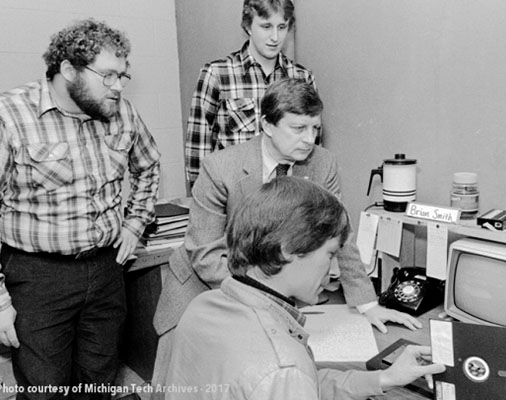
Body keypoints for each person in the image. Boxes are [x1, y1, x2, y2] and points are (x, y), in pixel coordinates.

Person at [152, 78, 422, 393]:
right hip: (202, 292)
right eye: (298, 128)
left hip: (265, 289)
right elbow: (206, 254)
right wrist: (267, 303)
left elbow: (339, 234)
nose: (309, 140)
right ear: (267, 124)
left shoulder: (322, 164)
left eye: (315, 129)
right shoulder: (221, 167)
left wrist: (367, 304)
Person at [166, 176, 445, 399]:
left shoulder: (202, 305)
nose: (335, 271)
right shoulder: (283, 368)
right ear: (289, 250)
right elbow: (287, 379)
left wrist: (385, 378)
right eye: (330, 254)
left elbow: (302, 382)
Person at [0, 19, 161, 398]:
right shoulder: (11, 116)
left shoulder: (122, 112)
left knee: (99, 381)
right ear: (68, 70)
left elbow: (149, 163)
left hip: (106, 270)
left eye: (123, 75)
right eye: (108, 76)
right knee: (44, 390)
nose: (119, 87)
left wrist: (135, 222)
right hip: (37, 277)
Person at [185, 0, 317, 187]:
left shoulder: (302, 78)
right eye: (266, 26)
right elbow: (197, 149)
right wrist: (204, 200)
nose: (275, 37)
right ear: (248, 26)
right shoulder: (218, 74)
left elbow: (312, 148)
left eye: (282, 27)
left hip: (287, 196)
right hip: (234, 195)